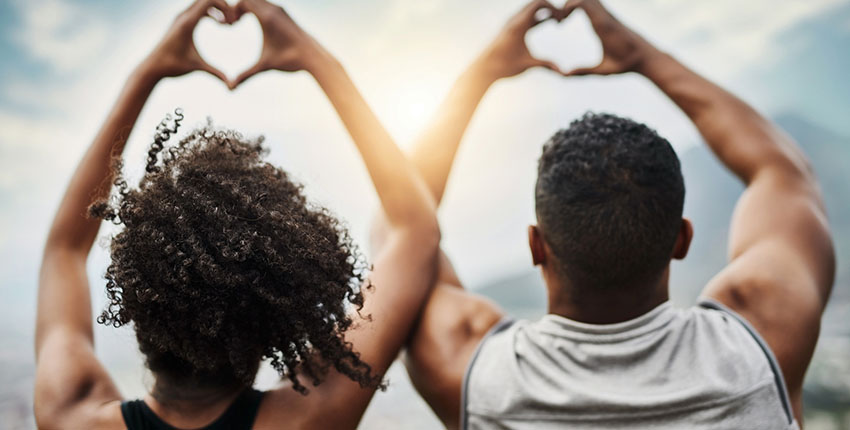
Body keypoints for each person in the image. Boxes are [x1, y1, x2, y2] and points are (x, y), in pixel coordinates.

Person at [388, 0, 835, 428]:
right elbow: (784, 172)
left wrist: (482, 73)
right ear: (681, 239)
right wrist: (640, 55)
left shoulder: (472, 374)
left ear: (535, 245)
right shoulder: (760, 342)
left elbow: (403, 232)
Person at [33, 0, 440, 428]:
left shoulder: (70, 417)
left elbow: (64, 249)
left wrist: (147, 73)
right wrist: (316, 60)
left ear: (136, 297)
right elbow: (415, 229)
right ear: (275, 317)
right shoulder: (310, 418)